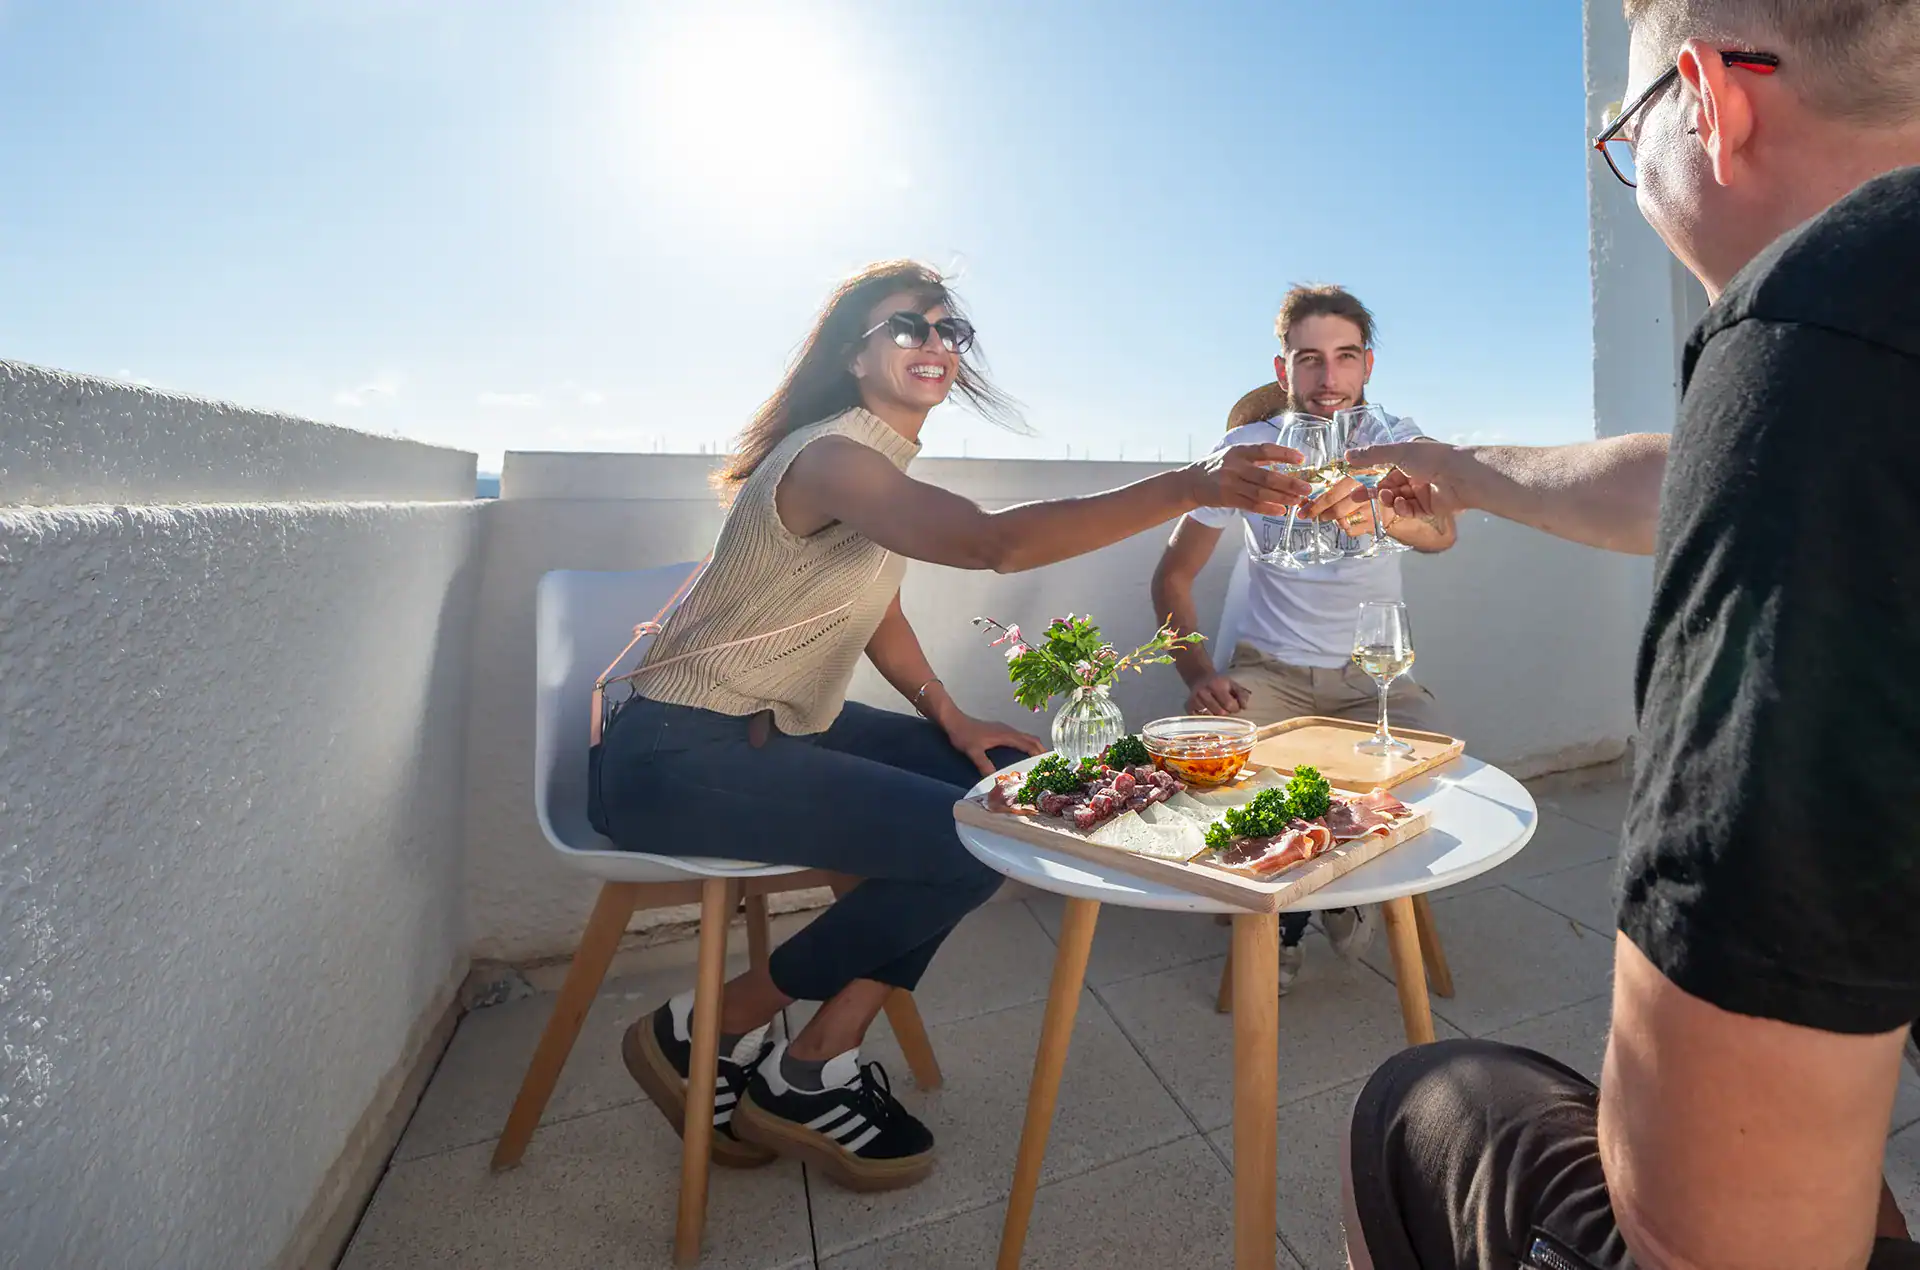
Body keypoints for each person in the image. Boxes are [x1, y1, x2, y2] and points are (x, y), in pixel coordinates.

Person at [1337, 2, 1920, 1266]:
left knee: (1420, 1104)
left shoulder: (1823, 326)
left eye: (1624, 138)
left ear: (1708, 99)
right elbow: (1705, 472)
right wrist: (1463, 467)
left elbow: (1706, 1231)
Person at [590, 259, 1306, 1193]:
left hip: (772, 728)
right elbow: (990, 545)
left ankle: (814, 1063)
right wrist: (1188, 484)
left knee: (1004, 788)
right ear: (853, 355)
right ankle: (713, 1026)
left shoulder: (878, 464)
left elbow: (873, 606)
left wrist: (951, 714)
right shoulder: (833, 454)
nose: (933, 344)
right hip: (674, 751)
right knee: (978, 840)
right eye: (905, 327)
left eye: (946, 330)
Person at [1149, 284, 1457, 992]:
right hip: (1273, 673)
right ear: (1284, 370)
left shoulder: (1400, 443)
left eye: (1345, 357)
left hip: (1374, 675)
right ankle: (1289, 917)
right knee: (1210, 777)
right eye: (1309, 359)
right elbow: (1172, 577)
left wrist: (1385, 515)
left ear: (1368, 365)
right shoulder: (1247, 451)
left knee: (1441, 776)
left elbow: (1442, 535)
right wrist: (1197, 674)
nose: (1329, 378)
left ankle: (1343, 886)